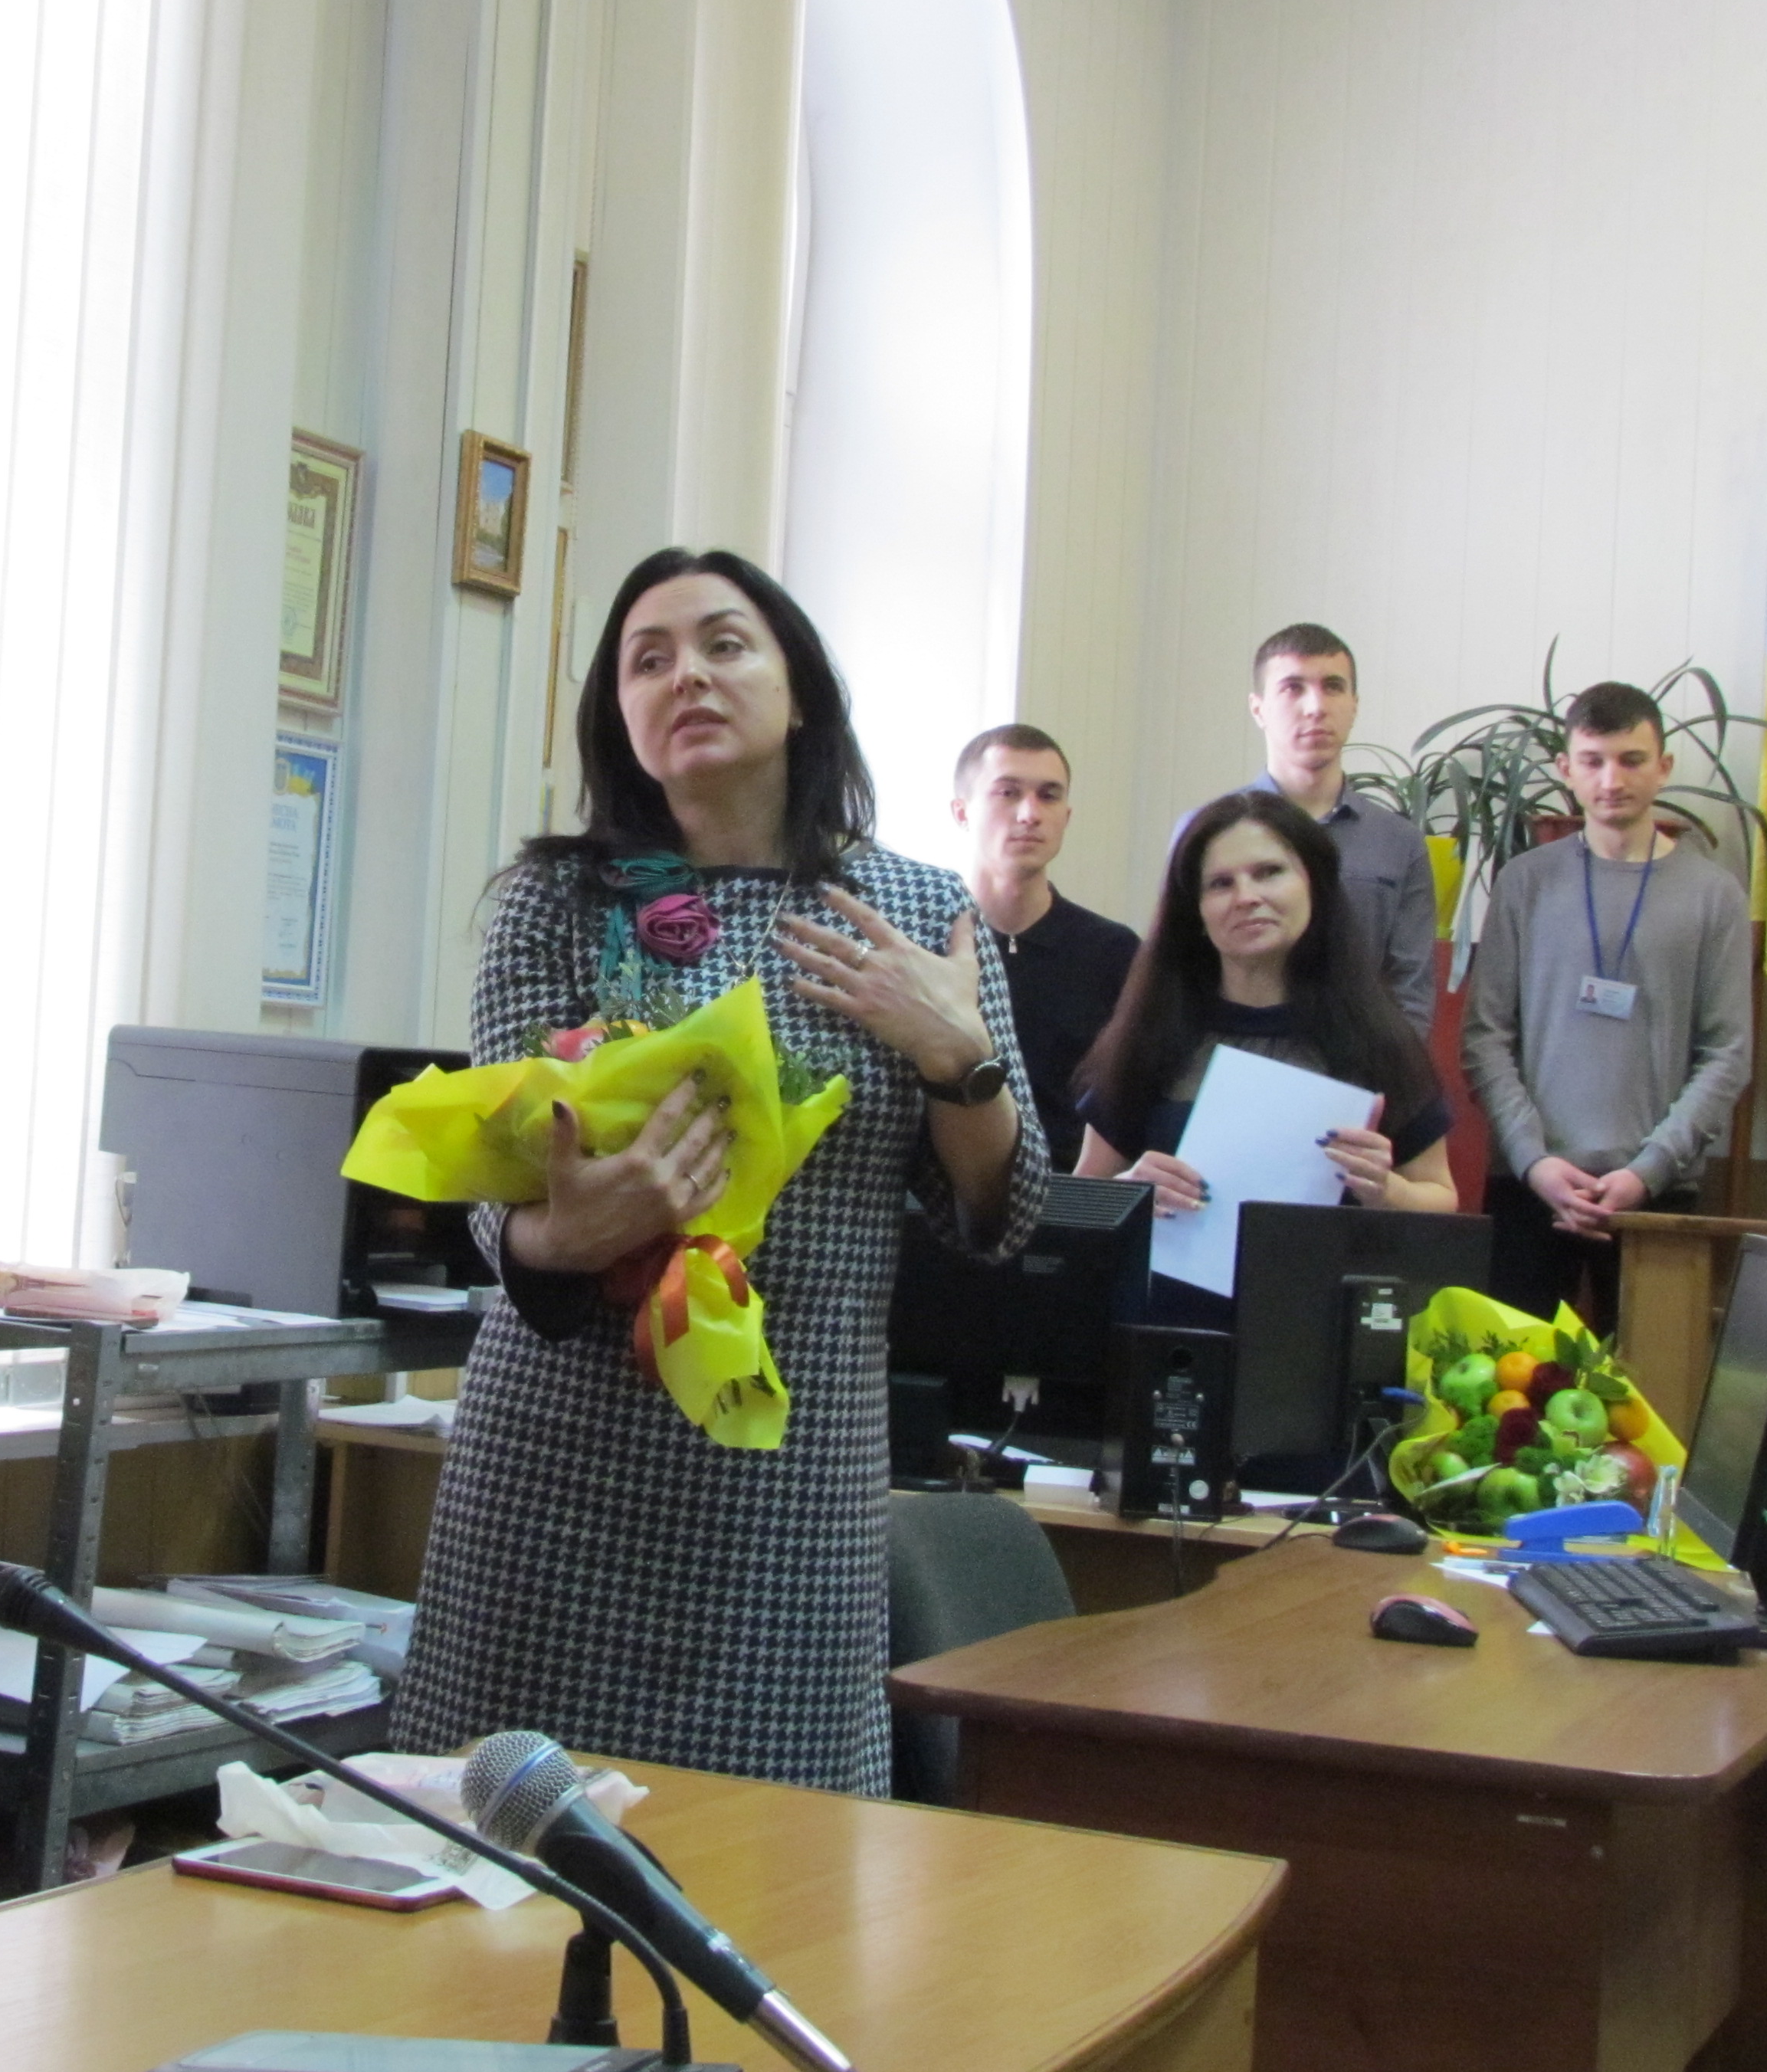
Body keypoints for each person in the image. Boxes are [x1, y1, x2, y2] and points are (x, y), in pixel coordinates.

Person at [390, 548, 1046, 1798]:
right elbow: (499, 1205)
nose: (686, 674)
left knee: (776, 1867)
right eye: (649, 661)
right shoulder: (556, 902)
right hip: (561, 1474)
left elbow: (1003, 1217)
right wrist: (571, 1234)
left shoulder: (913, 911)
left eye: (724, 644)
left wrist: (954, 1054)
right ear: (622, 720)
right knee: (504, 1864)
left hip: (789, 1491)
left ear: (798, 692)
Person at [1069, 792, 1455, 1323]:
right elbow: (1079, 1201)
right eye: (1220, 884)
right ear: (1195, 911)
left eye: (1269, 872)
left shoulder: (1377, 1040)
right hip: (1163, 1330)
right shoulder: (1149, 1036)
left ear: (1314, 885)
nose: (1246, 897)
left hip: (1320, 1331)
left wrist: (1387, 1190)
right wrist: (1128, 1195)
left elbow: (1442, 1199)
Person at [1460, 682, 1753, 1325]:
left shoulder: (1715, 895)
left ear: (1664, 767)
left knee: (1651, 1381)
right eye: (1593, 761)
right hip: (1531, 1187)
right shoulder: (1524, 883)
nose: (1611, 780)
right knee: (1510, 1379)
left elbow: (1728, 1054)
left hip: (1657, 1193)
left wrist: (1647, 1172)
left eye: (1631, 760)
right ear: (1566, 769)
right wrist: (1535, 1162)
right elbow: (1485, 1037)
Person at [950, 723, 1139, 1167]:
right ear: (962, 812)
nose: (1030, 814)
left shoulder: (1114, 953)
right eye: (1008, 793)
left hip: (1072, 1193)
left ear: (1066, 817)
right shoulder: (921, 943)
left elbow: (1131, 1100)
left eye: (1049, 796)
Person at [1241, 624, 1438, 1035]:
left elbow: (1411, 995)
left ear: (1354, 705)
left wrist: (1389, 1072)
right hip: (1239, 1060)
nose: (1316, 707)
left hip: (1359, 1066)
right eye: (1293, 688)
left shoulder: (1399, 844)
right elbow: (1180, 973)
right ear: (1258, 710)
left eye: (1332, 687)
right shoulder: (1213, 835)